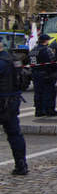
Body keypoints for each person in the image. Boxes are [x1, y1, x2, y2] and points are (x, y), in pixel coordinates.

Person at [1, 41, 27, 175]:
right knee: (14, 134)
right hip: (13, 100)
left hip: (2, 100)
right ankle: (21, 164)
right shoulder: (13, 59)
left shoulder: (2, 62)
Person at [30, 34, 57, 117]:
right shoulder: (46, 50)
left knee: (38, 93)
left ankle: (38, 110)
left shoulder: (33, 50)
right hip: (46, 74)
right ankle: (49, 110)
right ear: (46, 41)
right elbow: (52, 62)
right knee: (49, 92)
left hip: (35, 74)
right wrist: (55, 69)